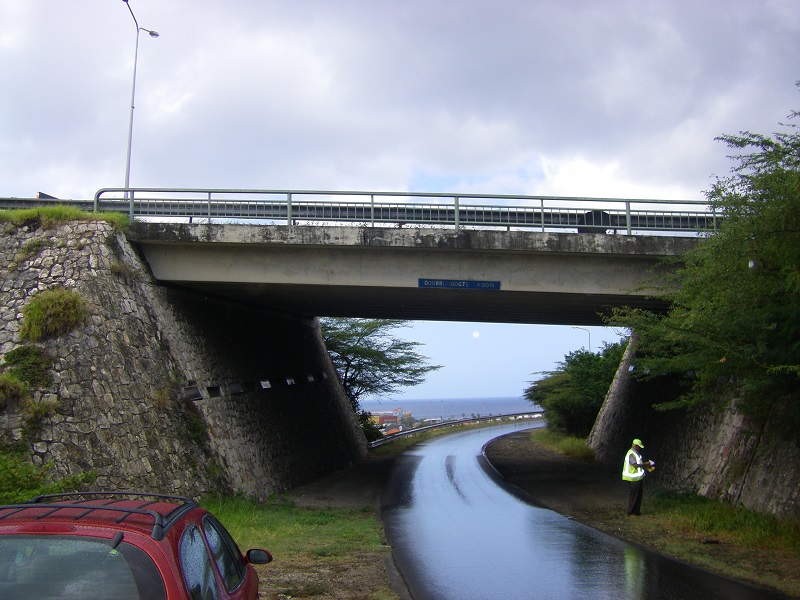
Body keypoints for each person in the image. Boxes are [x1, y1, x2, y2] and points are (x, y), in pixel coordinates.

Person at [621, 438, 653, 516]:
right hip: (633, 478)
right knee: (633, 495)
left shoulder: (636, 453)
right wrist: (646, 464)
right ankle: (631, 512)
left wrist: (647, 466)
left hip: (638, 478)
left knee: (638, 495)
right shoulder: (631, 454)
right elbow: (635, 465)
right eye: (639, 447)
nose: (640, 448)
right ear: (635, 446)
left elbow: (639, 463)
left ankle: (636, 511)